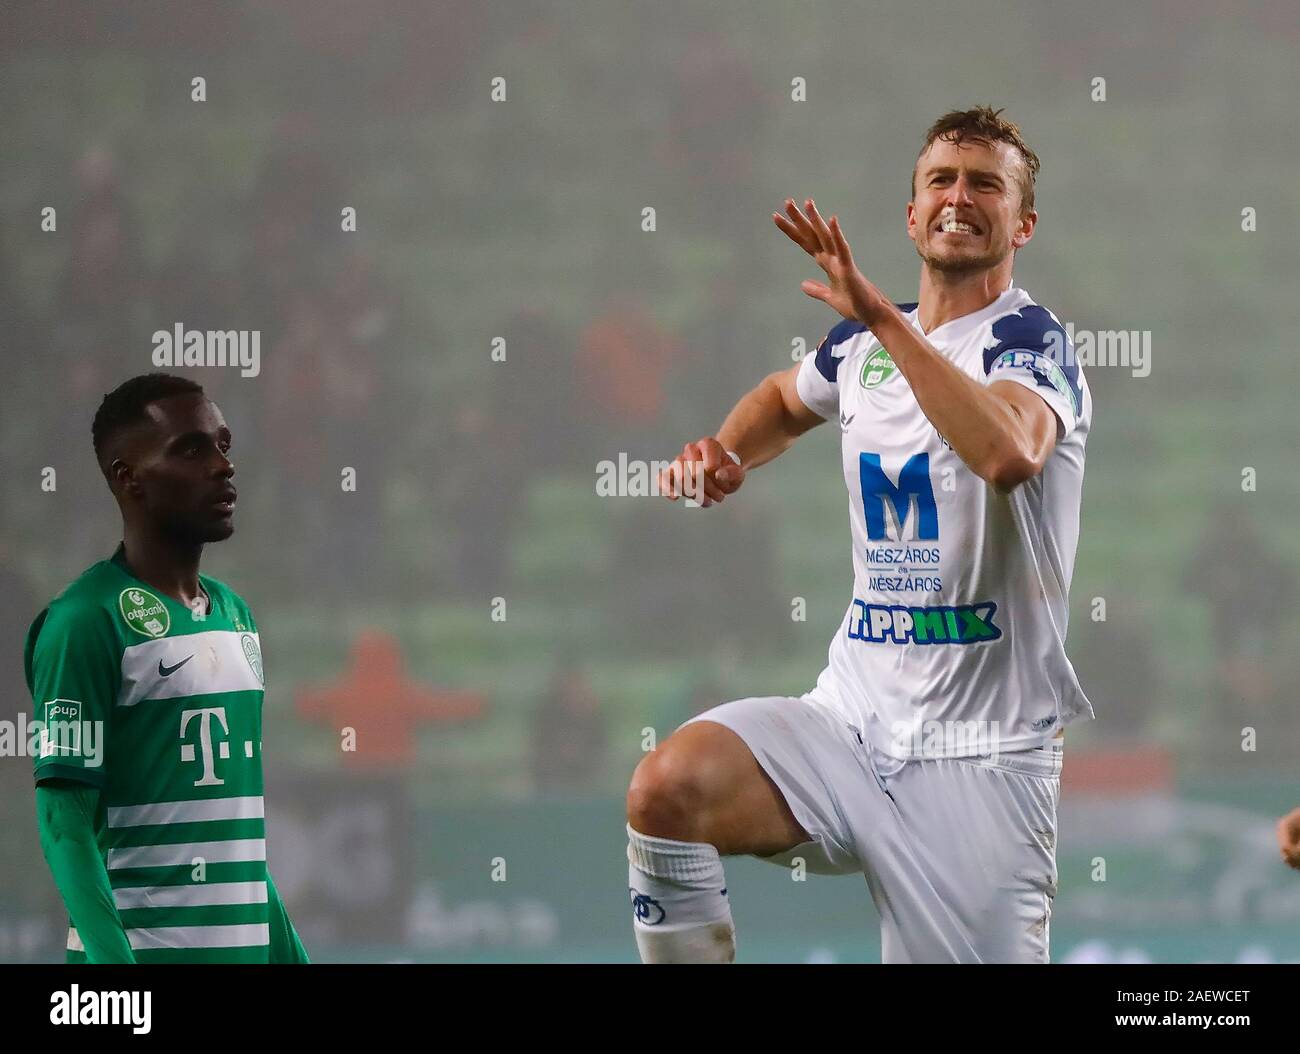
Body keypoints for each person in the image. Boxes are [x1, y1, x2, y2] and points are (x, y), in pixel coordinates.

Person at [626, 107, 1092, 963]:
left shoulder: (1032, 341)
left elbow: (1009, 454)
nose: (960, 196)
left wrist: (885, 319)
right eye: (940, 181)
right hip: (849, 725)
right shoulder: (862, 345)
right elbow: (781, 397)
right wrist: (728, 451)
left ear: (1023, 222)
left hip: (982, 759)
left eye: (986, 183)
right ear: (912, 215)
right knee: (668, 788)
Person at [26, 373, 308, 963]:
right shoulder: (85, 621)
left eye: (223, 445)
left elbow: (238, 845)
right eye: (190, 449)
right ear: (127, 477)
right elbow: (63, 823)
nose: (222, 466)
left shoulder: (236, 618)